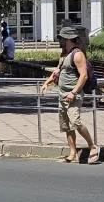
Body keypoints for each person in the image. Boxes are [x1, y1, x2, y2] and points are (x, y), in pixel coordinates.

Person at [40, 27, 99, 164]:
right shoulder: (64, 55)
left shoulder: (77, 55)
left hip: (73, 95)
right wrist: (46, 83)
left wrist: (73, 92)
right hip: (62, 95)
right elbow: (57, 71)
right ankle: (73, 153)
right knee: (67, 126)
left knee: (76, 122)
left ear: (67, 39)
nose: (59, 41)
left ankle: (92, 146)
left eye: (61, 38)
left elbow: (83, 76)